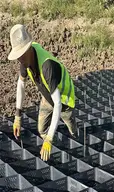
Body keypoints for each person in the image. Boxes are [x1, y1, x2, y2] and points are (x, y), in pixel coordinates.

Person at [8, 24, 77, 162]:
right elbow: (21, 83)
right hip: (47, 96)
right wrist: (17, 116)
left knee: (72, 130)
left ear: (28, 49)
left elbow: (57, 103)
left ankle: (75, 145)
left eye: (21, 55)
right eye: (18, 56)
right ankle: (57, 149)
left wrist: (49, 139)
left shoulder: (47, 66)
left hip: (63, 98)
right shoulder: (24, 60)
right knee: (41, 129)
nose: (19, 60)